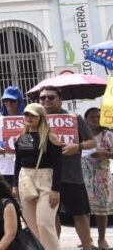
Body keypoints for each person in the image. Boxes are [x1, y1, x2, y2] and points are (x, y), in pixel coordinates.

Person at [38, 86, 95, 250]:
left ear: (60, 99)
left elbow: (92, 142)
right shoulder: (36, 120)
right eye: (43, 98)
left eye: (51, 97)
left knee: (80, 213)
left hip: (71, 175)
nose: (46, 100)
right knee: (51, 216)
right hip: (46, 177)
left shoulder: (75, 118)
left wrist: (77, 147)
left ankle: (87, 247)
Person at [14, 102, 62, 250]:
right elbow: (17, 163)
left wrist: (56, 189)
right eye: (26, 114)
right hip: (25, 180)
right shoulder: (21, 138)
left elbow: (59, 166)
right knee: (31, 224)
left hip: (46, 180)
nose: (29, 117)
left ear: (41, 117)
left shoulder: (51, 137)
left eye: (33, 115)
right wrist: (15, 185)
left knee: (45, 223)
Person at [83, 107, 112, 250]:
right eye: (92, 116)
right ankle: (86, 238)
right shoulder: (81, 134)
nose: (96, 119)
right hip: (83, 176)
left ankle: (102, 239)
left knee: (101, 210)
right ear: (86, 119)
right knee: (84, 209)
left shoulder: (107, 134)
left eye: (98, 116)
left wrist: (104, 154)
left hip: (101, 178)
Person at [0, 86, 26, 186]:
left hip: (26, 166)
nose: (8, 103)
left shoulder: (28, 120)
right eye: (6, 100)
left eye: (12, 100)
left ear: (18, 101)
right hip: (6, 167)